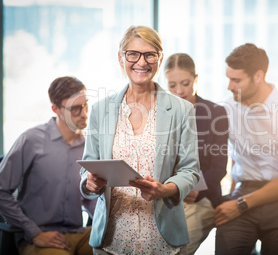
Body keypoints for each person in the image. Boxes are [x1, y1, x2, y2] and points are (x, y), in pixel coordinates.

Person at [79, 26, 200, 255]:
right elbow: (88, 166)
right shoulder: (100, 110)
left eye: (149, 54)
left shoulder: (182, 110)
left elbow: (190, 170)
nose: (141, 62)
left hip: (162, 241)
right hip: (111, 240)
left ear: (160, 58)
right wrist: (89, 182)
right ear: (120, 57)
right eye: (132, 54)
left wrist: (165, 190)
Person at [214, 43, 278, 254]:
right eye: (228, 78)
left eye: (236, 80)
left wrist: (239, 204)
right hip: (244, 191)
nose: (229, 86)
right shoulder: (228, 108)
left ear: (258, 76)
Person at [0, 76, 94, 255]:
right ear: (56, 109)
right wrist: (34, 232)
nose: (84, 113)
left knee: (118, 246)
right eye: (75, 108)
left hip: (78, 233)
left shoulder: (90, 146)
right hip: (39, 237)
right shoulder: (31, 140)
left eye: (85, 105)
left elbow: (90, 198)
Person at [164, 53, 229, 254]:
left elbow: (218, 168)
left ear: (196, 79)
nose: (180, 91)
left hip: (201, 196)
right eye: (172, 85)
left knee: (177, 249)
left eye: (185, 83)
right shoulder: (161, 114)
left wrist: (193, 189)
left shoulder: (215, 113)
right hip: (167, 197)